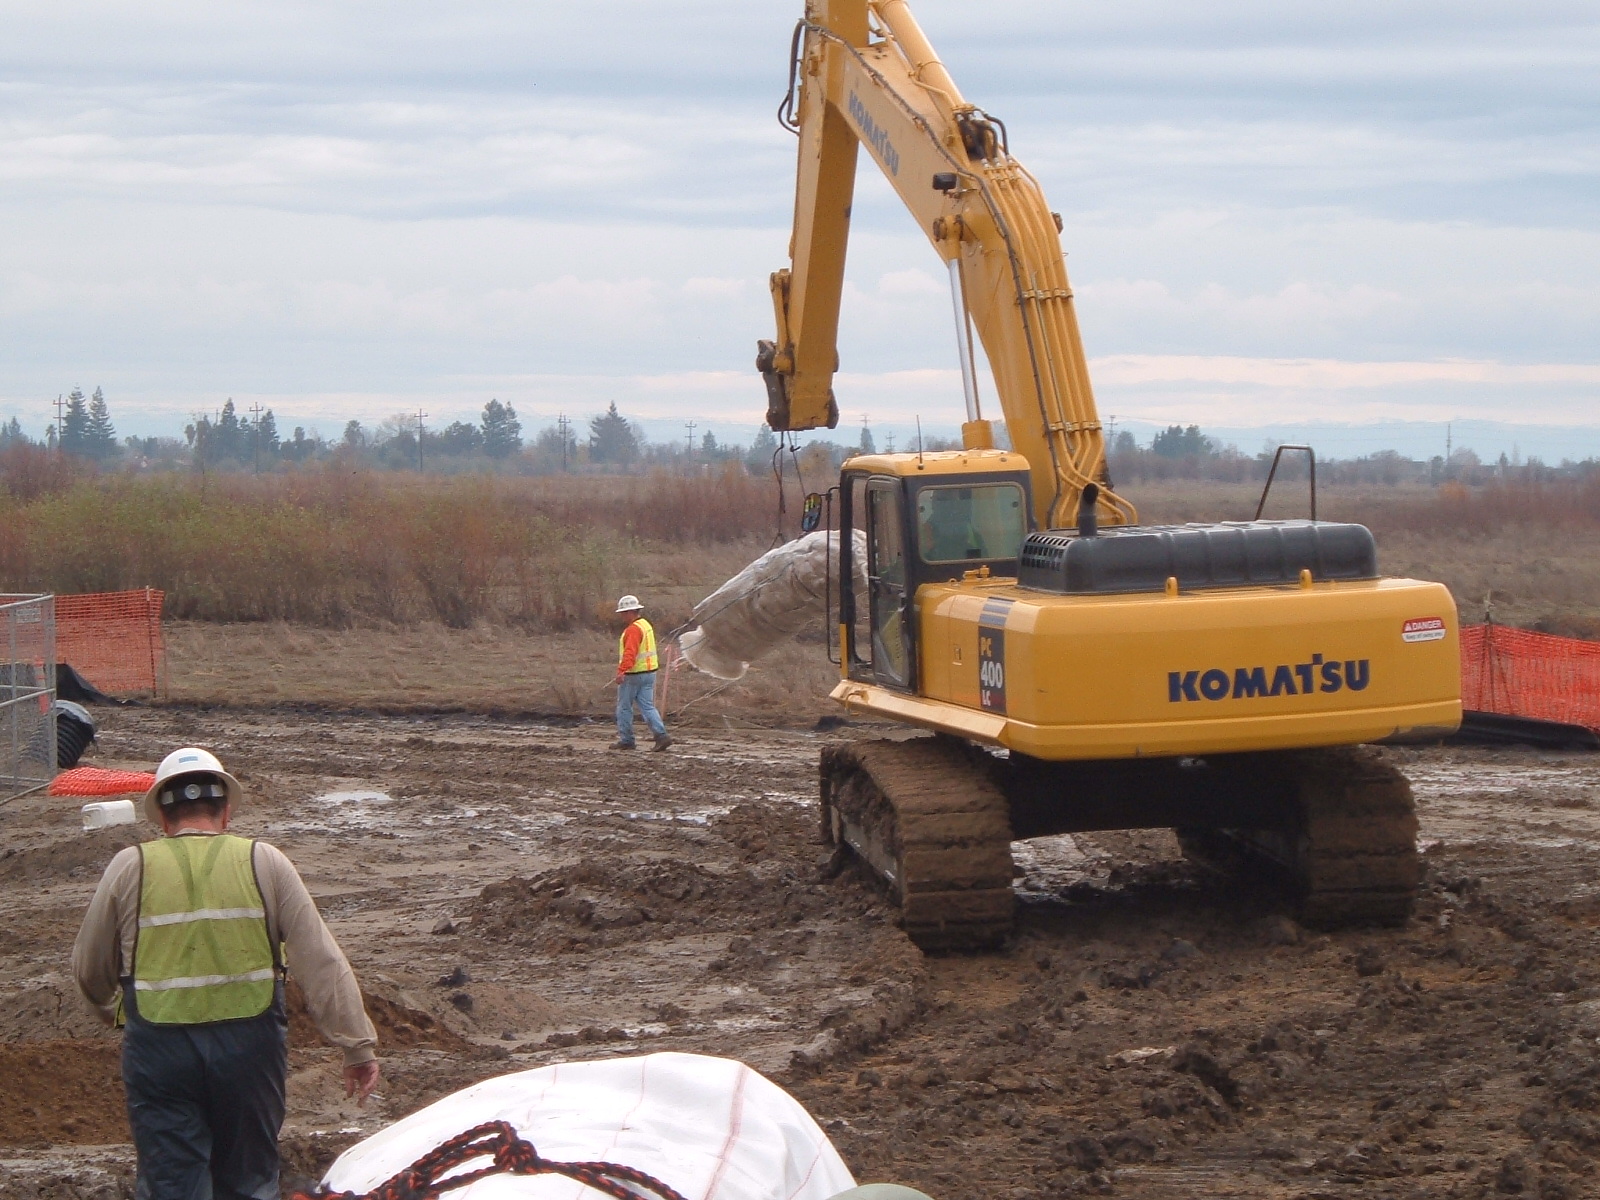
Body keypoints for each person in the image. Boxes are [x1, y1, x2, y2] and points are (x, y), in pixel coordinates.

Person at [73, 746, 380, 1200]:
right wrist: (357, 1046)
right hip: (250, 1050)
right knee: (249, 1180)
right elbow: (322, 962)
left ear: (162, 818)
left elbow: (89, 969)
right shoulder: (265, 862)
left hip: (161, 1049)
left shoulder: (130, 866)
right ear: (226, 811)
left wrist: (115, 1012)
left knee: (173, 1182)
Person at [612, 594, 671, 751]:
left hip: (634, 674)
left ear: (629, 612)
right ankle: (661, 736)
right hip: (649, 672)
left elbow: (630, 653)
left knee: (624, 707)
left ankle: (627, 740)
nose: (622, 616)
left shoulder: (633, 630)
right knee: (648, 707)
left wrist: (621, 671)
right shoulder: (646, 625)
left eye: (623, 613)